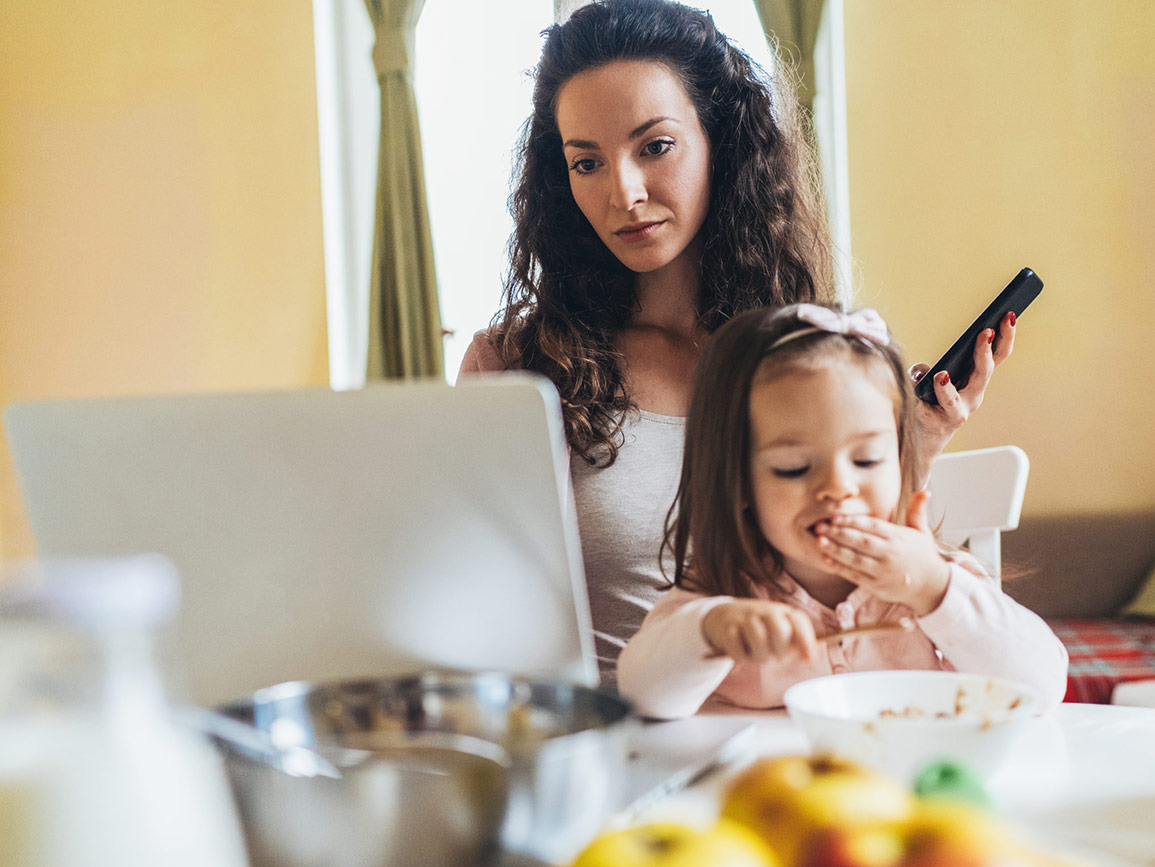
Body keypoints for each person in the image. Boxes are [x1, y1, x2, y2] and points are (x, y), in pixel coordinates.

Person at [458, 0, 1018, 685]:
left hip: (786, 730)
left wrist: (912, 449)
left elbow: (830, 572)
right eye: (586, 164)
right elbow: (478, 608)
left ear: (719, 140)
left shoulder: (804, 350)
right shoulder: (517, 365)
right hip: (616, 739)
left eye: (654, 146)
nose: (622, 192)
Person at [616, 304, 1069, 718]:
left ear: (901, 459)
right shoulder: (727, 594)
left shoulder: (929, 579)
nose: (836, 488)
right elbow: (642, 697)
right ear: (737, 480)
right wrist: (710, 633)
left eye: (867, 461)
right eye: (793, 468)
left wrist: (936, 590)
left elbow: (1043, 689)